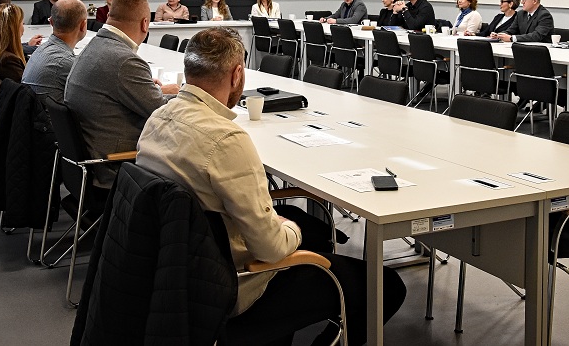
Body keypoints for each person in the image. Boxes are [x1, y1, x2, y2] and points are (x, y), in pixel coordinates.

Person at [135, 28, 406, 345]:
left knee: (311, 228)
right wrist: (291, 229)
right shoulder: (226, 140)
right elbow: (271, 249)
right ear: (237, 75)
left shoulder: (158, 118)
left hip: (177, 272)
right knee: (387, 285)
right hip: (236, 284)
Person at [64, 0, 180, 188]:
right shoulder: (125, 61)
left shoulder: (94, 45)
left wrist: (147, 88)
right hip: (114, 167)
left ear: (109, 15)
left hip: (86, 165)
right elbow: (162, 112)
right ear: (145, 23)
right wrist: (184, 94)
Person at [22, 0, 87, 104]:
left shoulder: (40, 50)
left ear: (51, 22)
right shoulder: (65, 62)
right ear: (83, 25)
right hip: (50, 114)